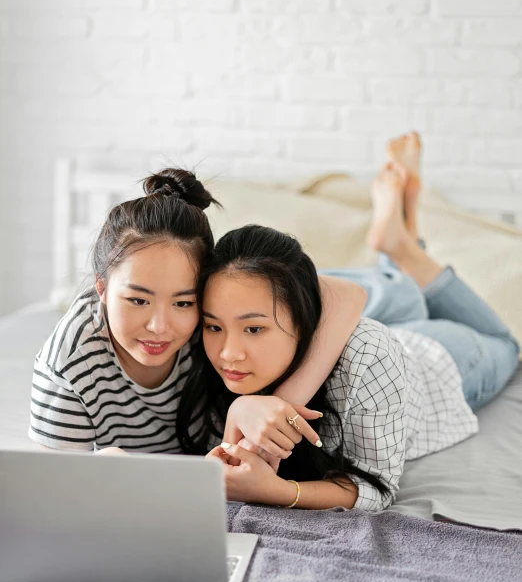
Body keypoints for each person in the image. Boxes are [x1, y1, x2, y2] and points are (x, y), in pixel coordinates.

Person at [178, 133, 520, 512]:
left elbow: (376, 489)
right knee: (402, 297)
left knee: (504, 344)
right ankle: (398, 247)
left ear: (306, 318)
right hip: (371, 338)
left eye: (254, 328)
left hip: (432, 360)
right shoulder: (187, 337)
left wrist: (273, 490)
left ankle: (402, 249)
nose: (228, 353)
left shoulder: (370, 355)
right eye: (214, 327)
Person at [29, 169, 367, 453]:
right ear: (101, 287)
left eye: (183, 303)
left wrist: (278, 404)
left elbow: (346, 292)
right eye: (138, 300)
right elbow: (56, 492)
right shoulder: (69, 364)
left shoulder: (213, 314)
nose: (160, 327)